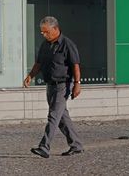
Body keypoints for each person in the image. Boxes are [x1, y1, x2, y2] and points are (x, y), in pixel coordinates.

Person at [23, 16, 84, 158]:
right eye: (42, 32)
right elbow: (38, 63)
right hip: (50, 85)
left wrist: (77, 84)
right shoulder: (45, 45)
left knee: (53, 116)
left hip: (63, 85)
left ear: (55, 29)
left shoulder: (67, 44)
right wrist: (30, 76)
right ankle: (76, 145)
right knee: (62, 117)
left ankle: (44, 147)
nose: (43, 34)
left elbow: (75, 65)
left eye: (46, 32)